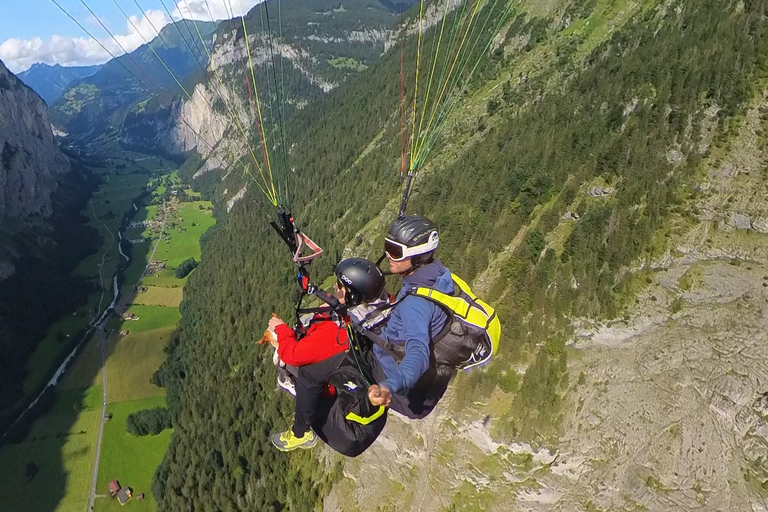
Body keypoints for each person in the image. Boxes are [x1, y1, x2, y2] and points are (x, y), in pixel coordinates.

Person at [268, 258, 389, 456]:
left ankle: (300, 434)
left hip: (350, 433)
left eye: (339, 285)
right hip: (373, 412)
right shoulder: (379, 309)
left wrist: (281, 329)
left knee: (306, 373)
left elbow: (292, 354)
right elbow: (335, 310)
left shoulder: (337, 336)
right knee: (326, 366)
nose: (335, 287)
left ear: (351, 295)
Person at [366, 215, 457, 419]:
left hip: (400, 382)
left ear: (418, 256)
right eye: (388, 247)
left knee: (342, 358)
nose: (389, 255)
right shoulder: (440, 275)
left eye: (396, 252)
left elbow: (418, 354)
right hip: (430, 379)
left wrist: (389, 386)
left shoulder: (414, 305)